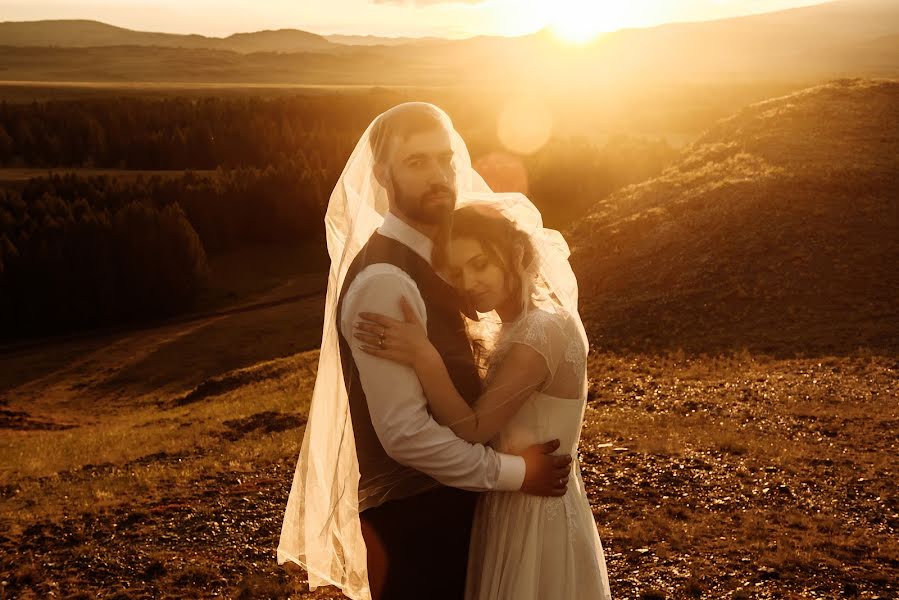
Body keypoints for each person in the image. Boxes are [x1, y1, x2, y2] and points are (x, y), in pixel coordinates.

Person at [277, 102, 572, 600]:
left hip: (458, 511)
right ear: (382, 175)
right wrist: (518, 473)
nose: (439, 176)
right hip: (418, 524)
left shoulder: (439, 260)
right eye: (417, 162)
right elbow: (405, 436)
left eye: (444, 160)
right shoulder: (384, 280)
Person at [352, 199, 613, 600]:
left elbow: (473, 430)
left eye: (480, 264)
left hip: (535, 511)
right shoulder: (519, 327)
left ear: (518, 255)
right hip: (518, 501)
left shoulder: (540, 332)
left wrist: (424, 357)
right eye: (456, 271)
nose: (468, 281)